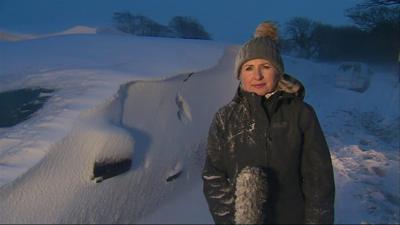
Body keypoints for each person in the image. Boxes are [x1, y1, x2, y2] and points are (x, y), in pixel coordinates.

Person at [202, 22, 335, 224]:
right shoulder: (225, 118)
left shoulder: (301, 114)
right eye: (248, 68)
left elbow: (319, 178)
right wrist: (230, 220)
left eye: (266, 66)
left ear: (278, 72)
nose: (257, 75)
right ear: (239, 75)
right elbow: (214, 177)